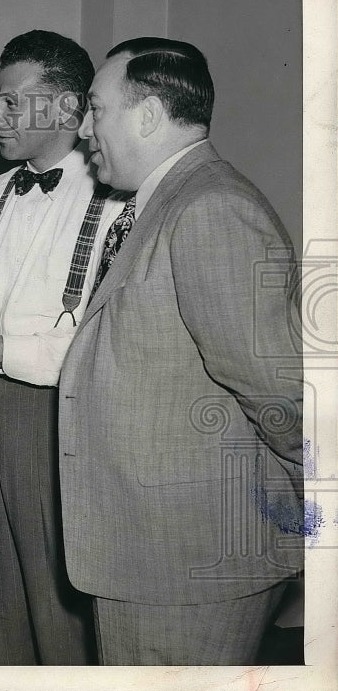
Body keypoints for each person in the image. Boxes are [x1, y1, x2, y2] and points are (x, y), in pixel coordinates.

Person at [59, 37, 303, 664]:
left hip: (193, 563)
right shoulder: (167, 201)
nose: (84, 129)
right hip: (151, 554)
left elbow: (280, 392)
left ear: (146, 116)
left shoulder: (210, 208)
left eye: (95, 109)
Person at [0, 30, 123, 664]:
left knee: (58, 601)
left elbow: (103, 340)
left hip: (63, 418)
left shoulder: (116, 197)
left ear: (66, 109)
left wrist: (2, 352)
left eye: (11, 102)